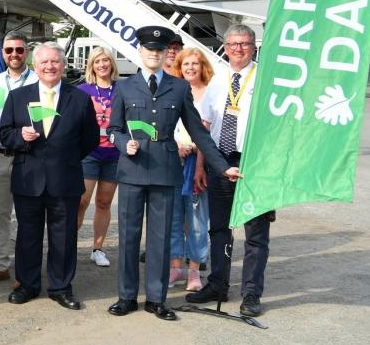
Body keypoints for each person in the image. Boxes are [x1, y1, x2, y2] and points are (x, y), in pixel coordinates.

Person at [106, 26, 236, 321]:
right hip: (132, 170)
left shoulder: (179, 88)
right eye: (148, 49)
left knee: (161, 238)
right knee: (128, 236)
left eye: (159, 50)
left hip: (165, 171)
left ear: (166, 54)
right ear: (140, 52)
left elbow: (199, 133)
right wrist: (124, 143)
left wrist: (222, 166)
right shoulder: (125, 87)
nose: (153, 53)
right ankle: (126, 296)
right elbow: (113, 128)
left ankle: (156, 299)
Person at [0, 43, 98, 311]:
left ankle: (61, 287)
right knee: (27, 235)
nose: (50, 66)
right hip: (28, 178)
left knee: (63, 236)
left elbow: (90, 138)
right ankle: (27, 285)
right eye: (44, 62)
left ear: (63, 65)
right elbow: (4, 133)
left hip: (65, 177)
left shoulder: (80, 99)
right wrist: (20, 136)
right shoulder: (18, 97)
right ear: (35, 66)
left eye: (55, 61)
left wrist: (66, 157)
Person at [187, 24, 267, 317]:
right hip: (219, 160)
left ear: (253, 46)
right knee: (219, 227)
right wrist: (200, 165)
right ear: (226, 47)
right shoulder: (218, 79)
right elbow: (205, 126)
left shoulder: (266, 79)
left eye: (244, 43)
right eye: (233, 44)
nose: (238, 49)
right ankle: (218, 284)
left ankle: (251, 293)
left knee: (255, 231)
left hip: (253, 162)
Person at [0, 35, 36, 285]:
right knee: (0, 215)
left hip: (29, 157)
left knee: (28, 215)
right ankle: (1, 265)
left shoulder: (37, 81)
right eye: (9, 50)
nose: (14, 54)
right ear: (2, 52)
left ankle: (25, 269)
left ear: (27, 51)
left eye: (19, 50)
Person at [169, 46, 215, 292]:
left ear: (202, 66)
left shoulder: (211, 93)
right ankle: (175, 267)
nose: (190, 68)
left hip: (199, 162)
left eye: (194, 63)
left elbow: (211, 130)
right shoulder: (172, 91)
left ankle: (194, 271)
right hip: (173, 160)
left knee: (197, 219)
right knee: (173, 217)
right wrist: (175, 146)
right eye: (185, 64)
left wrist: (199, 157)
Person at [75, 47, 121, 268]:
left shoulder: (122, 89)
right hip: (89, 153)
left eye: (105, 60)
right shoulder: (82, 90)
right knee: (81, 201)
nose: (102, 65)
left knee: (104, 202)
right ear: (91, 66)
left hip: (114, 153)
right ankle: (68, 245)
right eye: (97, 61)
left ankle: (98, 249)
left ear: (112, 63)